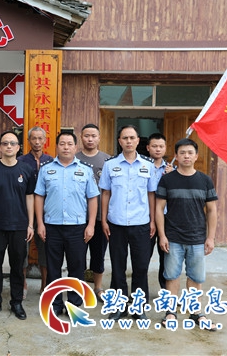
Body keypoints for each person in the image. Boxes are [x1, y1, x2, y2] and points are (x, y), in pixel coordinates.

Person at [156, 138, 218, 330]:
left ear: (196, 156)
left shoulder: (205, 180)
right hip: (173, 237)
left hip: (197, 238)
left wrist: (210, 238)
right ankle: (170, 312)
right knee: (171, 276)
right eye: (182, 152)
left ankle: (196, 312)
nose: (186, 156)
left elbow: (212, 210)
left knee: (196, 277)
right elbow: (159, 209)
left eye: (190, 152)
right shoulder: (167, 180)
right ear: (176, 155)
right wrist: (162, 235)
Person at [35, 132, 98, 316]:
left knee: (76, 268)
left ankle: (74, 304)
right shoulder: (46, 169)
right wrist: (40, 223)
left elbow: (92, 198)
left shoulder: (85, 170)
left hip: (77, 227)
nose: (66, 147)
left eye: (70, 144)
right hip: (51, 226)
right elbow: (39, 196)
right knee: (53, 268)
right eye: (62, 143)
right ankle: (55, 304)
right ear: (56, 146)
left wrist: (91, 225)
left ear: (75, 147)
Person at [99, 125, 159, 321]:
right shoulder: (110, 165)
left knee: (141, 266)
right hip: (116, 223)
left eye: (132, 138)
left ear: (138, 141)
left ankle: (138, 307)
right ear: (120, 141)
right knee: (118, 266)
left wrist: (152, 221)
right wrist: (104, 220)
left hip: (141, 223)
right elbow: (105, 193)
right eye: (125, 138)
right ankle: (119, 306)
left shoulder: (148, 165)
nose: (129, 141)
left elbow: (151, 194)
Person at [0, 131, 35, 320]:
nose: (9, 146)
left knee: (17, 265)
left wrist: (31, 224)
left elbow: (30, 197)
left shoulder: (27, 169)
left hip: (19, 225)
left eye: (12, 143)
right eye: (5, 143)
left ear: (18, 147)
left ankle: (16, 302)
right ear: (0, 147)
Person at [75, 123, 110, 300]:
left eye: (93, 136)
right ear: (81, 137)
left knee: (98, 254)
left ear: (99, 138)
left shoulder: (107, 160)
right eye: (86, 136)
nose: (90, 139)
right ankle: (80, 288)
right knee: (78, 256)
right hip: (78, 217)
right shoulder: (73, 158)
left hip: (100, 217)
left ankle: (98, 287)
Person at [18, 126, 53, 295]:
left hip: (47, 212)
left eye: (40, 138)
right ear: (28, 140)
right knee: (22, 250)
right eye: (34, 138)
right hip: (24, 211)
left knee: (45, 250)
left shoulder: (52, 161)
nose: (37, 142)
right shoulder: (21, 161)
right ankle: (22, 285)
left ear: (45, 140)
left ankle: (45, 285)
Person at [146, 132, 174, 290]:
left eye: (161, 146)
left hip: (167, 217)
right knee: (143, 256)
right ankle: (141, 290)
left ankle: (165, 291)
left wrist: (172, 177)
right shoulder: (142, 166)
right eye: (154, 146)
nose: (158, 149)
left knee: (166, 256)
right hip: (146, 217)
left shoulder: (172, 169)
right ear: (148, 148)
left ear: (165, 148)